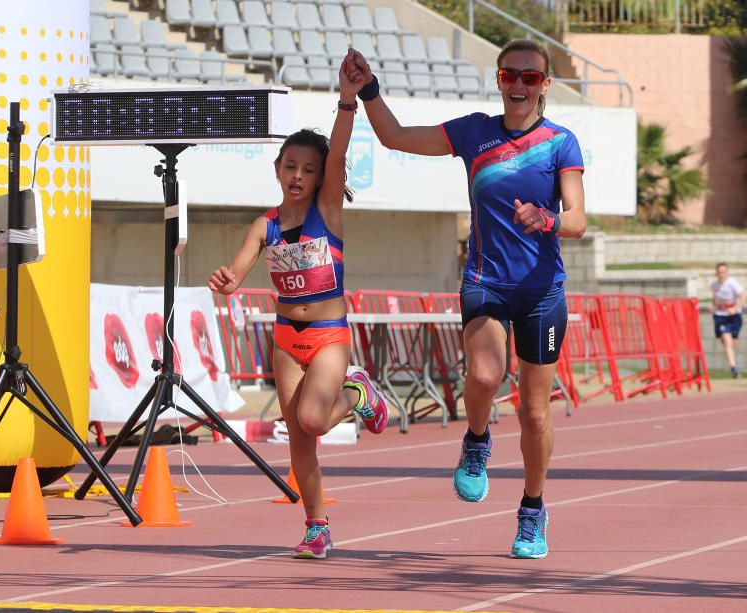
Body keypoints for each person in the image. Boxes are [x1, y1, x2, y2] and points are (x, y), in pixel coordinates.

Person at [344, 39, 587, 559]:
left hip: (542, 292)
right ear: (498, 80)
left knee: (534, 415)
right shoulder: (475, 132)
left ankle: (532, 510)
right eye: (509, 75)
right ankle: (477, 441)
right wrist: (369, 91)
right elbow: (393, 138)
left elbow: (579, 220)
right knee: (482, 376)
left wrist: (547, 220)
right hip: (486, 280)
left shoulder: (561, 142)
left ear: (544, 85)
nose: (519, 85)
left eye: (530, 77)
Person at [208, 51, 389, 560]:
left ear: (317, 178)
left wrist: (347, 101)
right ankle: (317, 527)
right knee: (299, 441)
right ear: (277, 168)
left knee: (312, 418)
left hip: (330, 334)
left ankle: (358, 392)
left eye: (308, 170)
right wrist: (227, 281)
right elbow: (238, 272)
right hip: (287, 338)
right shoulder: (264, 225)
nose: (298, 175)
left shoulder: (327, 213)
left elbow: (338, 156)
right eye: (290, 166)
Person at [710, 262, 746, 379]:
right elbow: (715, 299)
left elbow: (743, 297)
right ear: (716, 273)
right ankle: (733, 368)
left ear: (727, 273)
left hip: (734, 316)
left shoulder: (732, 284)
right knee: (726, 339)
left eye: (724, 272)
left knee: (732, 342)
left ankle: (730, 348)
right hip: (721, 315)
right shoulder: (714, 286)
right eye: (720, 272)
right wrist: (713, 306)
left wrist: (735, 308)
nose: (722, 274)